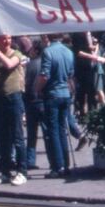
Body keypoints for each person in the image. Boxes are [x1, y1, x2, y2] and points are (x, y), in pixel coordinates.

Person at [0, 35, 27, 186]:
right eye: (3, 38)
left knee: (17, 136)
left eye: (9, 38)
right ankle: (5, 172)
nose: (7, 41)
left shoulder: (16, 54)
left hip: (13, 97)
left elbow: (9, 64)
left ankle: (22, 172)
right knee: (3, 138)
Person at [35, 33, 75, 179]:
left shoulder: (48, 51)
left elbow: (44, 75)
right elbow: (70, 74)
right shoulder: (69, 51)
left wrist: (37, 89)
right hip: (65, 93)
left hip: (52, 93)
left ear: (48, 37)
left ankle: (57, 167)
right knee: (62, 129)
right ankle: (66, 164)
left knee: (53, 131)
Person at [24, 40, 45, 170]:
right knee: (48, 132)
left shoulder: (30, 65)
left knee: (31, 134)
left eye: (31, 49)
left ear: (36, 50)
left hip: (31, 100)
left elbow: (25, 83)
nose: (29, 51)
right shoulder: (44, 63)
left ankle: (30, 160)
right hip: (42, 100)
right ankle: (54, 161)